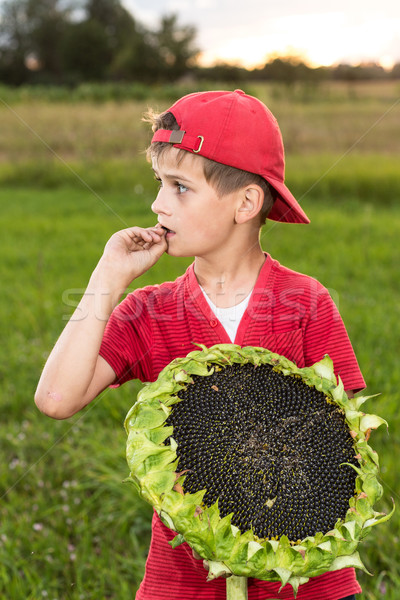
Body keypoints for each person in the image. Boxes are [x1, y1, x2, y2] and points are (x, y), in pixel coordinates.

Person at [35, 89, 364, 600]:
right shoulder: (152, 310)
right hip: (184, 581)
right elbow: (56, 399)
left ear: (246, 203)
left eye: (180, 187)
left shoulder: (306, 303)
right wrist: (108, 275)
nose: (158, 203)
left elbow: (347, 453)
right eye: (159, 183)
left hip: (302, 577)